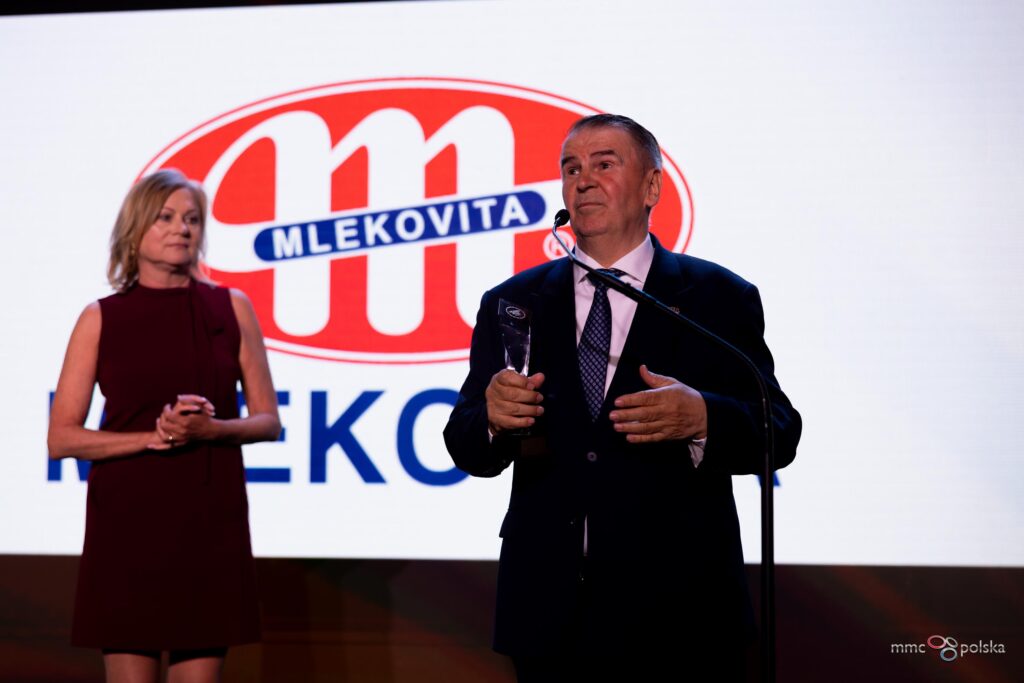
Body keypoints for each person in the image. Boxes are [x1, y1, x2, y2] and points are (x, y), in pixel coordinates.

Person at [444, 114, 802, 681]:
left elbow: (778, 430)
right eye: (571, 169)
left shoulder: (717, 296)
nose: (583, 180)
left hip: (681, 611)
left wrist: (703, 417)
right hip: (550, 614)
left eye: (604, 164)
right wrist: (490, 419)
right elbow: (467, 445)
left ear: (652, 186)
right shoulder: (514, 302)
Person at [47, 169, 281, 683]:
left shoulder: (231, 308)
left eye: (192, 219)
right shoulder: (100, 318)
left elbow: (268, 421)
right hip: (128, 524)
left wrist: (213, 431)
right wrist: (153, 438)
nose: (182, 229)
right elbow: (62, 437)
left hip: (209, 521)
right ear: (136, 230)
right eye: (167, 217)